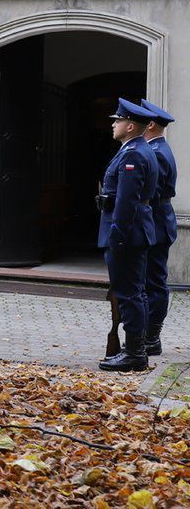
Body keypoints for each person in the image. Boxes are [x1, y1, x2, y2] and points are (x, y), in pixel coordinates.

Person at [98, 98, 160, 373]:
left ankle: (135, 354)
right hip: (136, 230)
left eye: (117, 120)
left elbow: (126, 202)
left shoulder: (134, 153)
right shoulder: (137, 148)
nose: (114, 124)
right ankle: (134, 349)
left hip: (128, 232)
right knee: (135, 292)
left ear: (130, 125)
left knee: (129, 293)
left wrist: (117, 235)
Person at [140, 98, 177, 357]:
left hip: (157, 223)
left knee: (154, 281)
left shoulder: (156, 153)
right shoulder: (158, 149)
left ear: (150, 125)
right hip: (157, 221)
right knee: (151, 279)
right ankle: (148, 335)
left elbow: (151, 194)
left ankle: (152, 337)